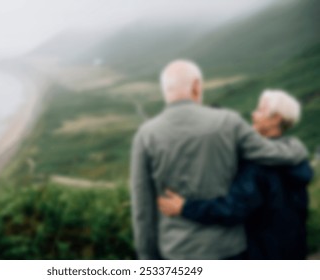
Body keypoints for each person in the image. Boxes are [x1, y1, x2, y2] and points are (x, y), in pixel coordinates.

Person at [130, 60, 308, 260]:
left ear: (165, 90)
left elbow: (142, 210)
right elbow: (274, 154)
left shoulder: (145, 135)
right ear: (196, 86)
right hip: (230, 250)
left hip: (176, 252)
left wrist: (147, 260)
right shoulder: (229, 122)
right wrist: (298, 147)